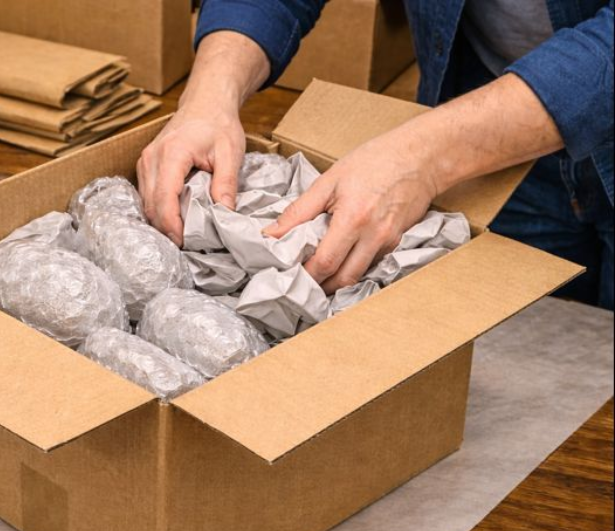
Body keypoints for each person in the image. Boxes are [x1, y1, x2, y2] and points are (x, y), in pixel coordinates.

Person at [138, 1, 614, 309]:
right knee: (521, 344)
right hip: (490, 136)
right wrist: (210, 95)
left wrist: (423, 157)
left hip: (482, 136)